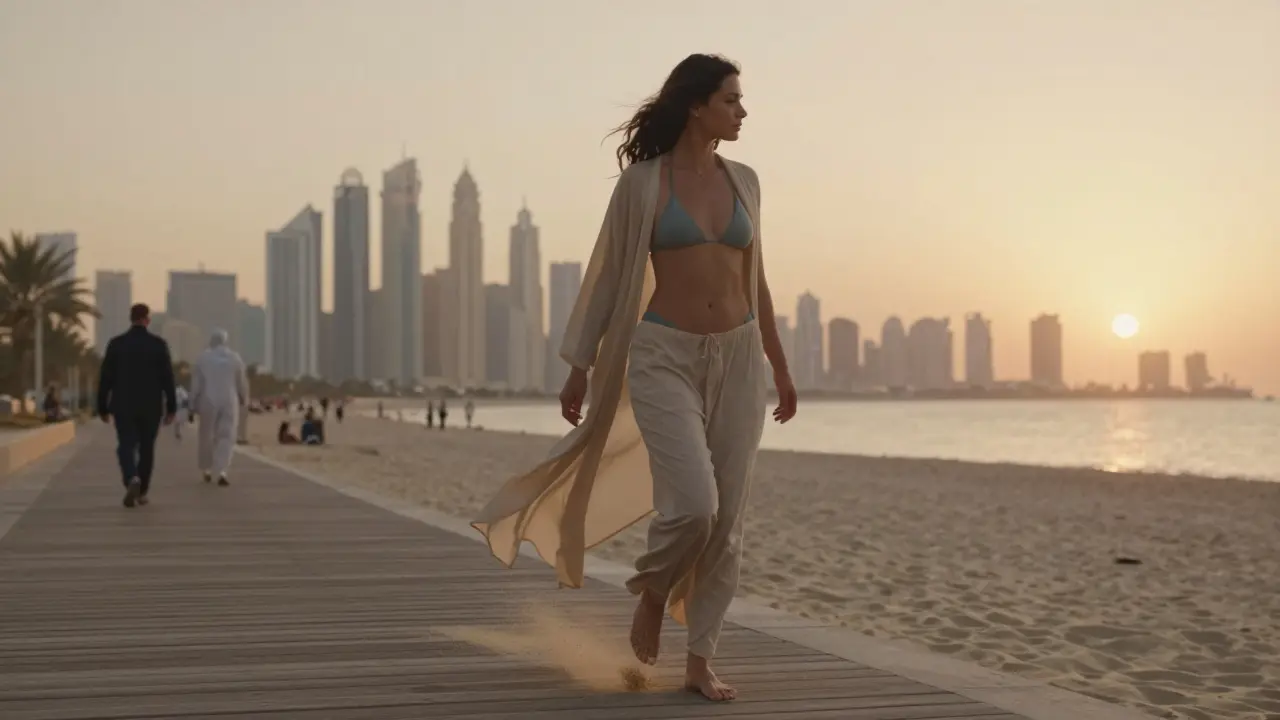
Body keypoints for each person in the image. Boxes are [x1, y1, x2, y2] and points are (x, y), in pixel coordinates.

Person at [472, 55, 797, 701]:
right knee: (695, 505)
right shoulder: (643, 184)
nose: (742, 110)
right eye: (731, 99)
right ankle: (653, 589)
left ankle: (700, 661)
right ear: (697, 105)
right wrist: (580, 365)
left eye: (741, 100)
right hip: (660, 355)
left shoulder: (747, 182)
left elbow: (754, 278)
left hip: (737, 361)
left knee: (727, 521)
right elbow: (609, 274)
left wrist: (779, 365)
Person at [97, 303, 178, 508]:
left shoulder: (116, 344)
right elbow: (168, 378)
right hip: (151, 406)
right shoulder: (158, 345)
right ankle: (142, 492)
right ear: (147, 320)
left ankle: (131, 477)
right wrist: (172, 407)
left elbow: (105, 378)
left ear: (130, 318)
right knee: (147, 448)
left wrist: (102, 407)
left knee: (125, 444)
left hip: (123, 405)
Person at [190, 328, 248, 487]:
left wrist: (191, 404)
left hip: (208, 400)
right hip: (229, 400)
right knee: (227, 436)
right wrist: (244, 398)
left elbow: (196, 384)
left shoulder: (203, 358)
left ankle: (206, 469)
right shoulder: (235, 358)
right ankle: (222, 470)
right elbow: (241, 382)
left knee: (206, 435)